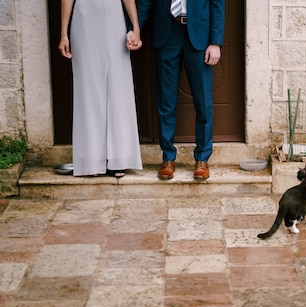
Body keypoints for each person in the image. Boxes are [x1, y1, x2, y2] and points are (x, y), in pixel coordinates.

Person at [136, 0, 225, 181]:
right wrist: (134, 29)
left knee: (203, 101)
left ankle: (202, 158)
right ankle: (168, 157)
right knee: (166, 100)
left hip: (199, 34)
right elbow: (145, 2)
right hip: (167, 32)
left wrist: (215, 42)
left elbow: (217, 5)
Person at [59, 0, 144, 178]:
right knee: (88, 88)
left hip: (114, 18)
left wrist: (135, 26)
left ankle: (119, 158)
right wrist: (63, 33)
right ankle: (91, 159)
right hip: (84, 19)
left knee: (119, 86)